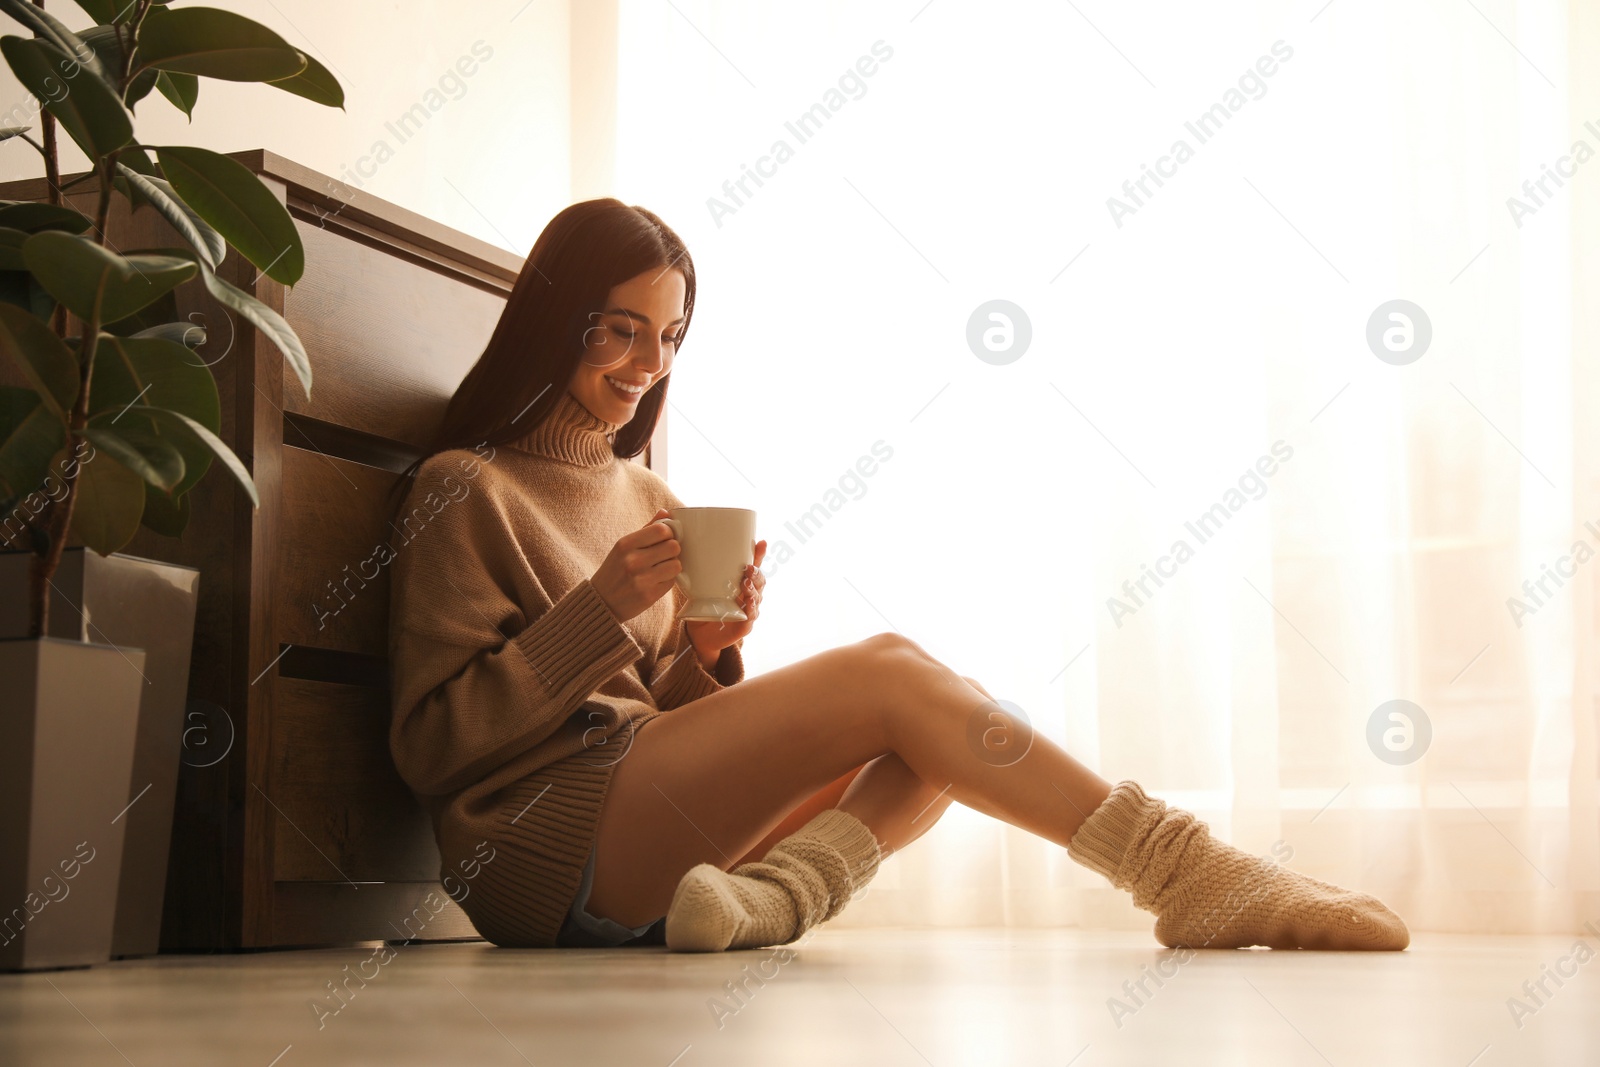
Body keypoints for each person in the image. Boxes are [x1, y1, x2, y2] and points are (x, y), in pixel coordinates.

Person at [386, 198, 1410, 953]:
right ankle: (1181, 868)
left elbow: (641, 712)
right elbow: (434, 747)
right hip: (529, 848)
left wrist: (703, 657)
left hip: (633, 822)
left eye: (669, 335)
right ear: (558, 317)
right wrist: (601, 607)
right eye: (619, 327)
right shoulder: (463, 488)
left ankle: (762, 902)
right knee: (891, 676)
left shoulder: (646, 495)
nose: (648, 361)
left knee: (953, 729)